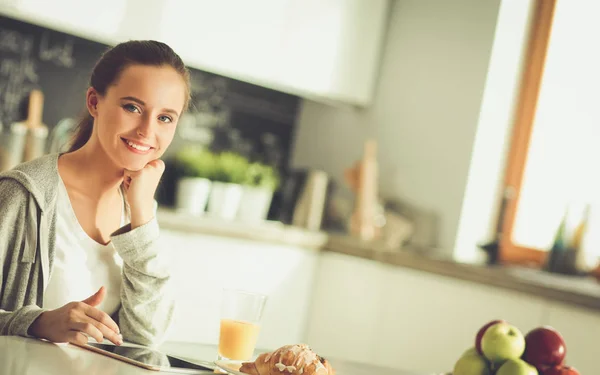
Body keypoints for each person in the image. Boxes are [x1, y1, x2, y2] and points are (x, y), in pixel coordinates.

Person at [0, 40, 191, 347]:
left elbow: (147, 338)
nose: (147, 130)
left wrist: (142, 215)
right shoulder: (22, 195)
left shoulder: (137, 209)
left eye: (165, 118)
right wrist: (36, 323)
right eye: (133, 107)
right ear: (94, 102)